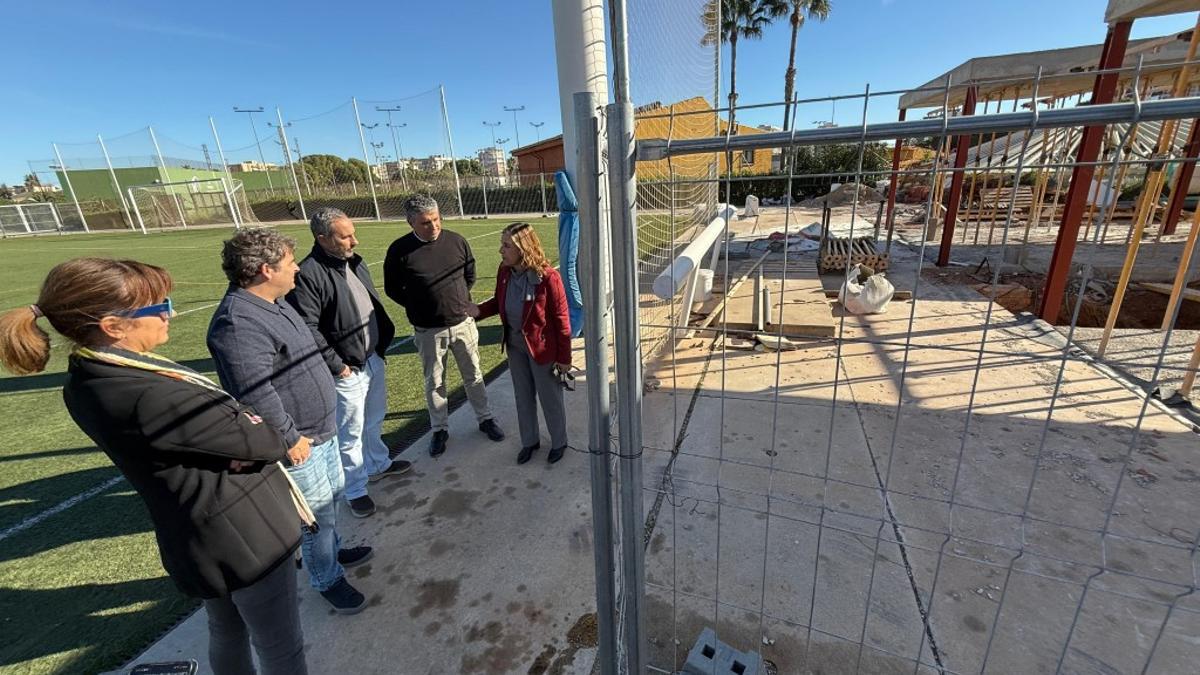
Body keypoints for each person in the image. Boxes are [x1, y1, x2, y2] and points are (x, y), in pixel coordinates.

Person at [0, 258, 310, 673]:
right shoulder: (147, 393)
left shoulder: (89, 374)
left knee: (227, 630)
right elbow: (266, 439)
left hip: (199, 535)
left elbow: (234, 437)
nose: (170, 313)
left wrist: (240, 433)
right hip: (244, 538)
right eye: (157, 306)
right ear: (113, 326)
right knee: (280, 645)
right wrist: (247, 427)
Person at [206, 227, 371, 615]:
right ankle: (326, 578)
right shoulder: (238, 323)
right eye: (290, 263)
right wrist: (289, 437)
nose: (297, 268)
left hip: (321, 431)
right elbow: (255, 392)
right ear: (266, 269)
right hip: (301, 443)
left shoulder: (276, 302)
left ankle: (332, 553)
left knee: (329, 506)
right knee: (315, 518)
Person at [287, 207, 411, 519]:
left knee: (374, 418)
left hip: (371, 357)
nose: (354, 241)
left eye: (353, 233)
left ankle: (378, 464)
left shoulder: (354, 262)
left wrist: (379, 347)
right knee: (349, 433)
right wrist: (337, 365)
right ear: (323, 238)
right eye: (345, 237)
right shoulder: (309, 275)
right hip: (346, 369)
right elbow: (307, 329)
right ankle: (355, 490)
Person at [384, 194, 505, 457]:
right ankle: (439, 429)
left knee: (473, 375)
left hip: (463, 324)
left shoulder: (457, 241)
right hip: (428, 331)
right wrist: (419, 306)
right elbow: (393, 289)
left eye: (437, 219)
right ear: (411, 223)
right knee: (435, 381)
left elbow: (469, 275)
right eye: (426, 223)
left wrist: (458, 301)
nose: (434, 226)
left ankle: (485, 419)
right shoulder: (398, 251)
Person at [474, 223, 572, 464]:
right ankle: (530, 442)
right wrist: (477, 310)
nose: (501, 250)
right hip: (516, 346)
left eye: (506, 245)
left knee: (550, 398)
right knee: (523, 395)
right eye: (502, 244)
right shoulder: (504, 271)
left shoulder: (548, 277)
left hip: (542, 349)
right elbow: (499, 301)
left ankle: (559, 442)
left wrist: (564, 359)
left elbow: (561, 320)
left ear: (522, 248)